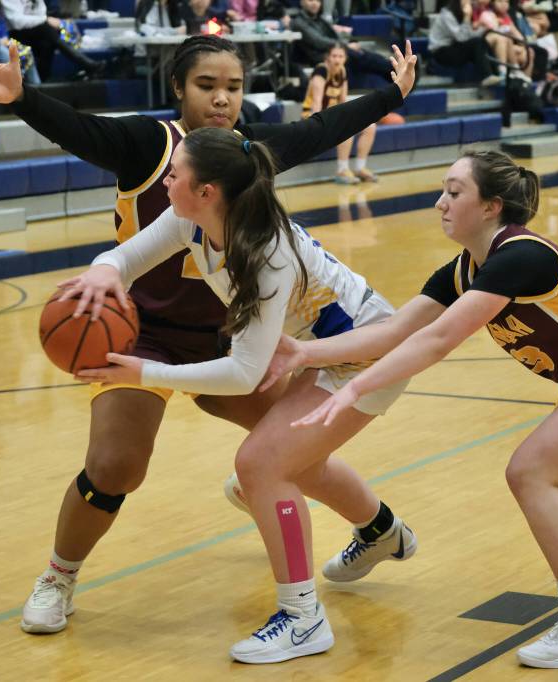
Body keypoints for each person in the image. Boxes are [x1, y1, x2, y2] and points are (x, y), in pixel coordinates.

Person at [0, 35, 418, 635]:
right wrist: (21, 99)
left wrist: (390, 93)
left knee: (290, 455)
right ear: (177, 87)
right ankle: (59, 576)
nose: (223, 99)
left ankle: (377, 530)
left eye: (234, 87)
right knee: (116, 463)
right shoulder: (152, 148)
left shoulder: (248, 158)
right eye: (207, 86)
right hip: (144, 333)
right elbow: (79, 130)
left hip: (237, 339)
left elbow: (326, 127)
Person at [271, 150, 558, 670]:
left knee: (531, 473)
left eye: (454, 191)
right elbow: (396, 331)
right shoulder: (465, 268)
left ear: (491, 207)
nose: (440, 201)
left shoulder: (521, 256)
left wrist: (353, 391)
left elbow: (439, 339)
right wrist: (308, 352)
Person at [64, 128, 415, 663]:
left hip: (364, 355)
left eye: (175, 171)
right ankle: (383, 532)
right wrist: (100, 277)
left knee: (262, 465)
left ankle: (303, 618)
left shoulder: (265, 255)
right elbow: (125, 257)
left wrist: (146, 373)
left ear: (206, 190)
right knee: (292, 463)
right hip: (311, 350)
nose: (167, 178)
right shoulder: (192, 218)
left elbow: (244, 374)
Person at [302, 43, 378, 184]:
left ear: (345, 58)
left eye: (340, 56)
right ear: (328, 58)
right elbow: (316, 102)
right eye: (334, 56)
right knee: (346, 128)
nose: (337, 59)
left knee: (370, 126)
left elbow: (343, 101)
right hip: (313, 116)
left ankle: (360, 168)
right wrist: (315, 126)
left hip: (331, 115)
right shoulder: (321, 71)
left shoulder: (342, 71)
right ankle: (342, 170)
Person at [292, 0, 394, 85]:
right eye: (310, 0)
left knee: (369, 56)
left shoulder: (319, 19)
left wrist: (345, 44)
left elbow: (332, 37)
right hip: (322, 56)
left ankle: (395, 76)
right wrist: (345, 45)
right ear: (302, 2)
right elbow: (318, 41)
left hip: (335, 50)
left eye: (318, 1)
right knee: (365, 58)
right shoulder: (299, 22)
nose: (315, 3)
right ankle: (396, 75)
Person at [0, 0, 102, 80]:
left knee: (48, 42)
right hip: (14, 34)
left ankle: (42, 80)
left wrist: (43, 20)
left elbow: (41, 13)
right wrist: (44, 20)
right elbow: (17, 22)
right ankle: (86, 64)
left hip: (37, 30)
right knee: (48, 30)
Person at [428, 0, 506, 86]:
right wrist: (467, 17)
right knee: (477, 42)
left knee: (482, 42)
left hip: (454, 47)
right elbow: (462, 38)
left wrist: (484, 30)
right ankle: (486, 76)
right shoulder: (447, 14)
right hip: (441, 52)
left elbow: (469, 36)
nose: (469, 2)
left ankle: (497, 74)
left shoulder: (461, 13)